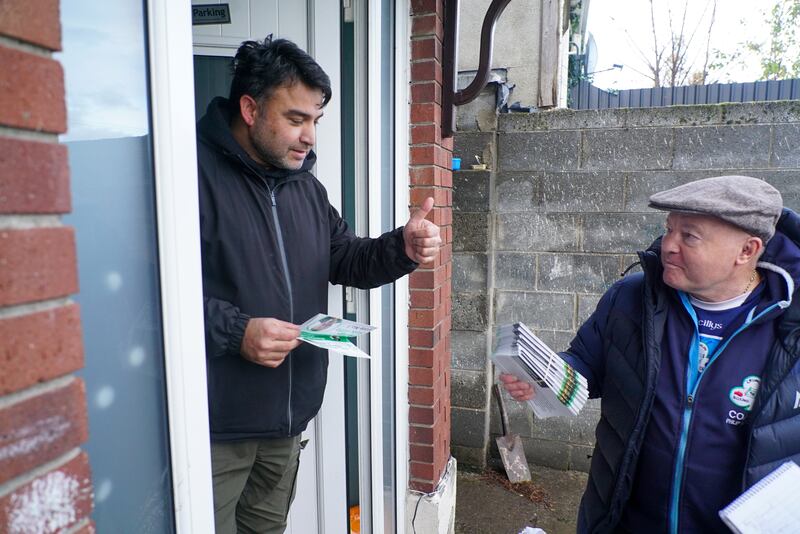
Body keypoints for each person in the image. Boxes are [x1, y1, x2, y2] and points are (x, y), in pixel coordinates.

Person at [197, 37, 441, 533]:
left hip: (287, 426)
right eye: (295, 119)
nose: (309, 136)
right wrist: (235, 332)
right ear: (249, 108)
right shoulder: (189, 177)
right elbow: (153, 297)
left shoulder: (306, 186)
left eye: (315, 121)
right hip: (215, 430)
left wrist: (403, 247)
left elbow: (344, 257)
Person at [501, 175, 800, 533]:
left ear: (747, 251)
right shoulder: (631, 299)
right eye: (669, 229)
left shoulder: (790, 326)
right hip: (624, 520)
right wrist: (544, 375)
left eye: (688, 235)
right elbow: (586, 363)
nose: (668, 245)